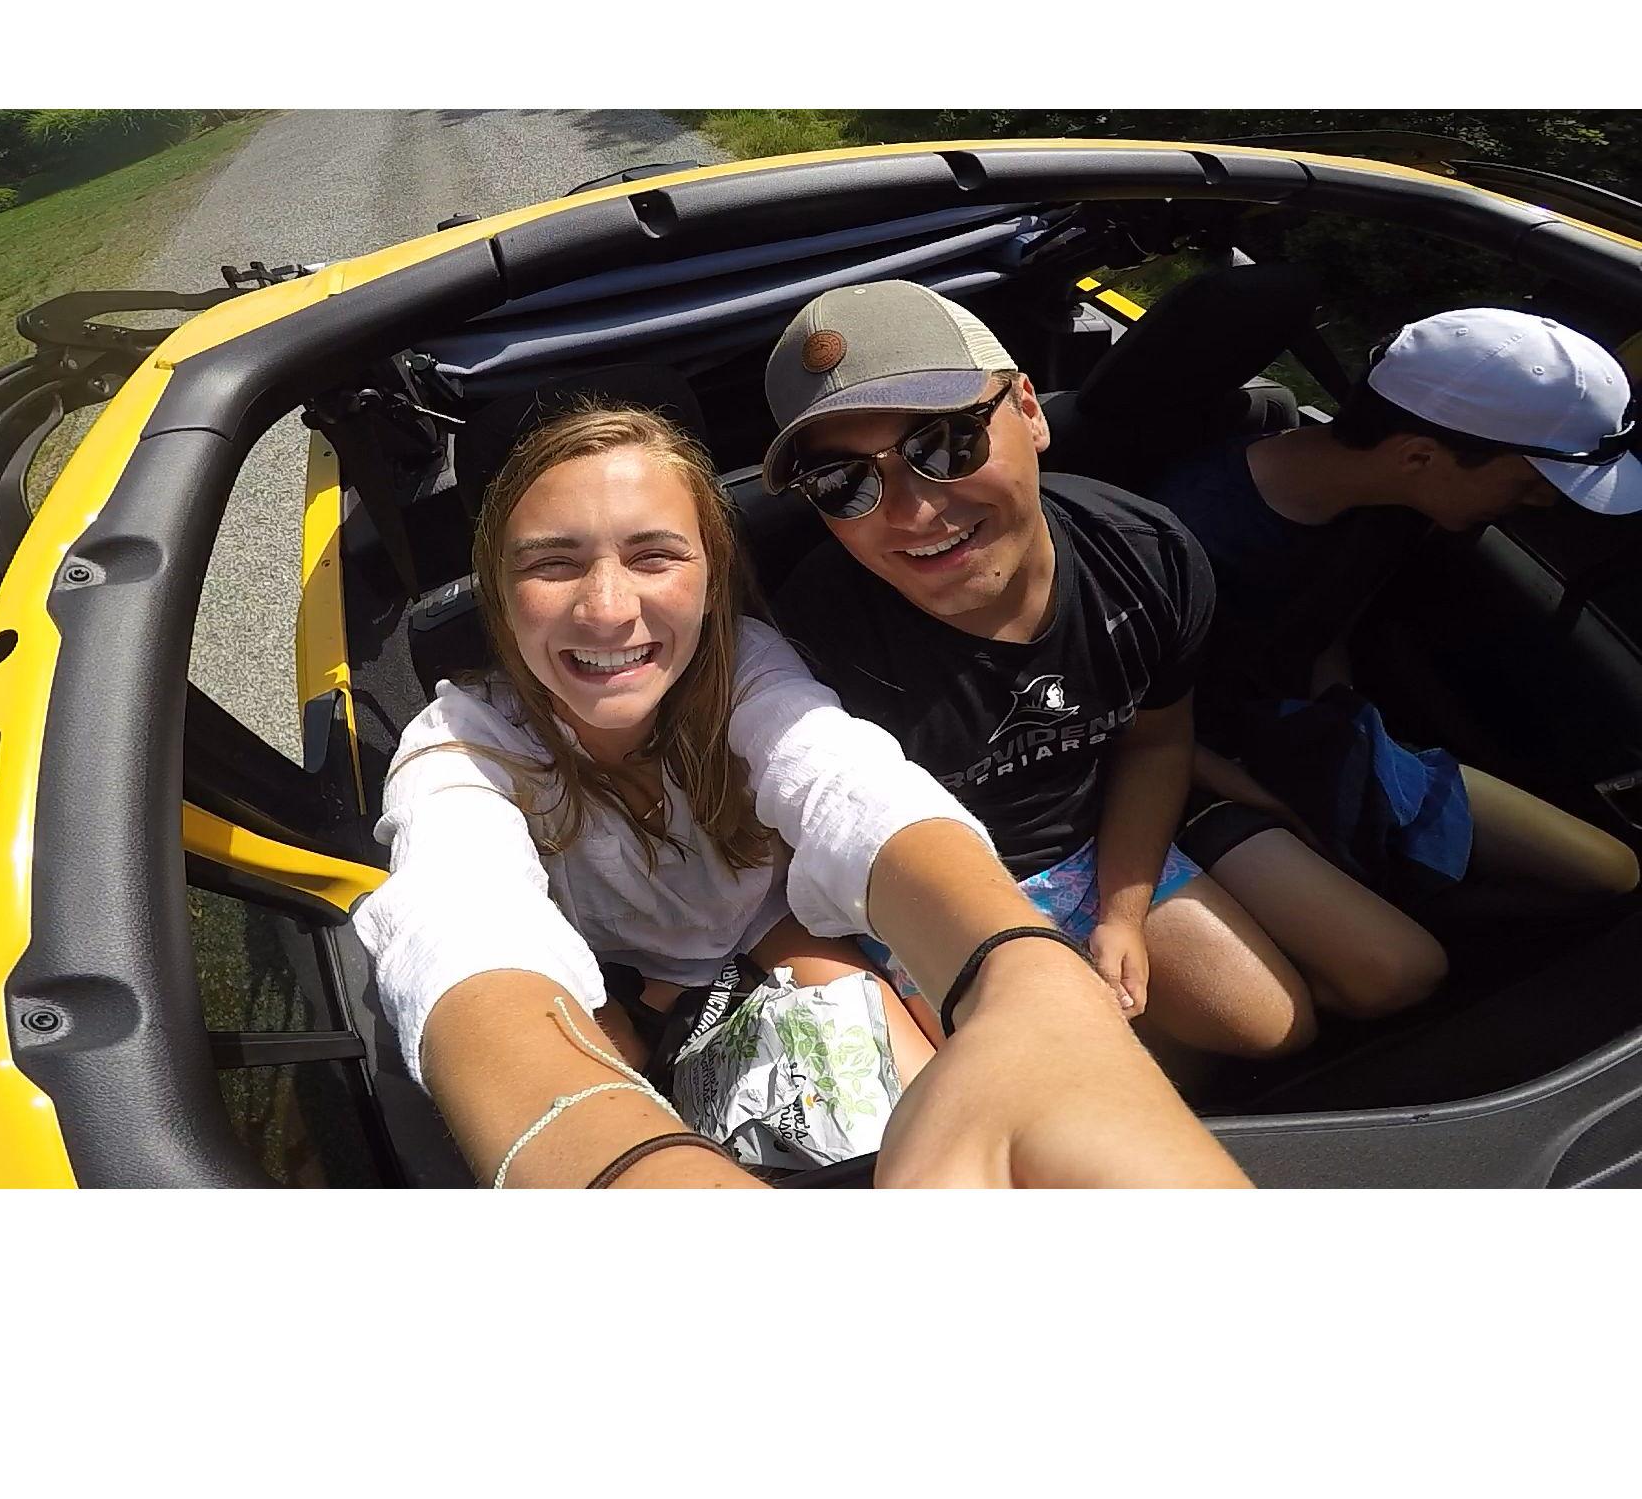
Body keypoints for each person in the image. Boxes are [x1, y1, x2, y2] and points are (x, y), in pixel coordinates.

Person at [352, 388, 1248, 1187]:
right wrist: (618, 1166)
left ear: (712, 578)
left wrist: (1026, 978)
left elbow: (850, 786)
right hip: (605, 991)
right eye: (553, 563)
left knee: (906, 1113)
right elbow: (459, 921)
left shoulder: (747, 670)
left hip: (781, 930)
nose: (608, 609)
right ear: (498, 589)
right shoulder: (457, 749)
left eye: (655, 556)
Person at [762, 279, 1451, 1055]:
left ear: (1028, 411)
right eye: (844, 483)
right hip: (931, 890)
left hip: (1093, 841)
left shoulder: (1146, 557)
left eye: (944, 443)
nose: (915, 511)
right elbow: (802, 856)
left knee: (1283, 1030)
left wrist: (1121, 913)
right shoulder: (811, 644)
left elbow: (1155, 739)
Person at [1147, 306, 1642, 909]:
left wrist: (1343, 734)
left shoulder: (1397, 509)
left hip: (1301, 734)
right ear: (1418, 456)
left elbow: (1328, 632)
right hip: (1182, 766)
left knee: (1612, 870)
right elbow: (1127, 722)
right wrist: (1276, 807)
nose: (1541, 504)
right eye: (1529, 484)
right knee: (1408, 942)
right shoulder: (1187, 536)